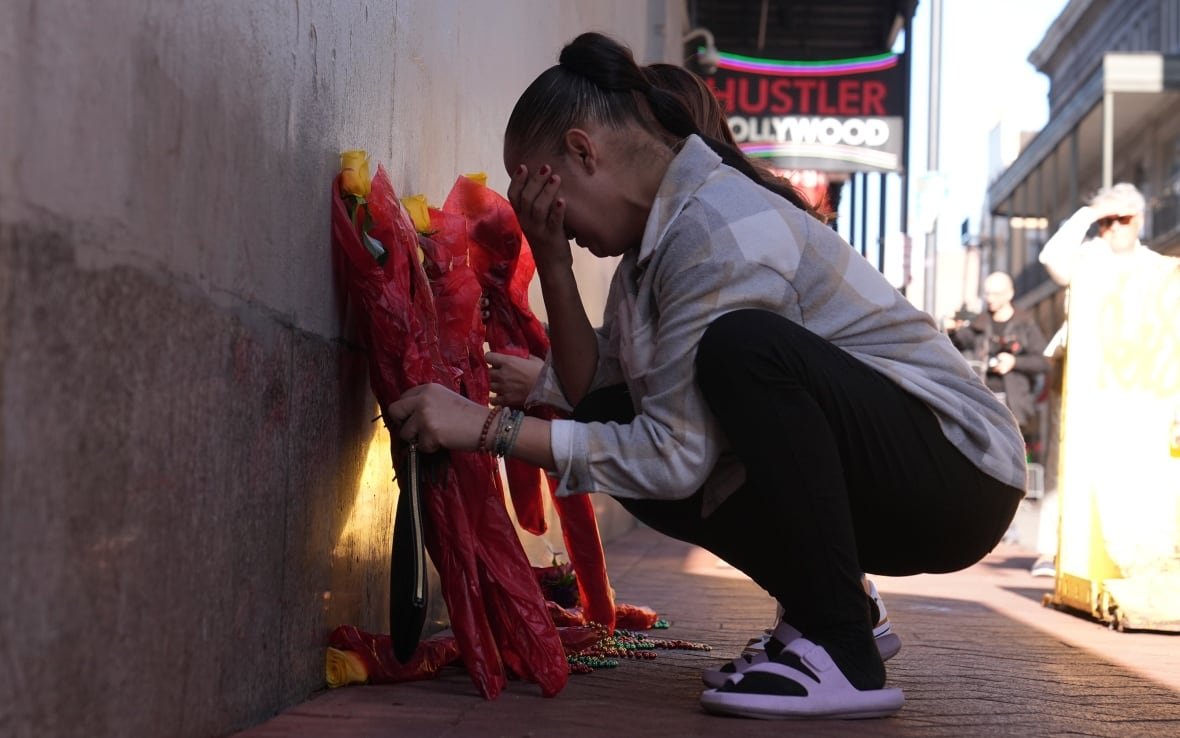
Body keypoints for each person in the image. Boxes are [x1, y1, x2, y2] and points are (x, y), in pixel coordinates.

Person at [388, 32, 1026, 720]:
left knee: (739, 348)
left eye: (540, 191)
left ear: (582, 152)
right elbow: (590, 393)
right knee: (613, 415)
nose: (543, 214)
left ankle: (844, 647)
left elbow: (675, 457)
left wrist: (486, 429)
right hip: (903, 476)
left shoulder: (716, 231)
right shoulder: (654, 246)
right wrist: (553, 260)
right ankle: (830, 610)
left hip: (960, 472)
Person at [1030, 182, 1175, 577]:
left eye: (1123, 219)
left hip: (1133, 381)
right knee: (1067, 459)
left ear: (1139, 221)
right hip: (1080, 374)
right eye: (1107, 221)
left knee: (1126, 461)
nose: (1115, 228)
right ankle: (1052, 550)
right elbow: (1052, 259)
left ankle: (1120, 551)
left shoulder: (1154, 267)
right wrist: (1088, 215)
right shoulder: (1086, 256)